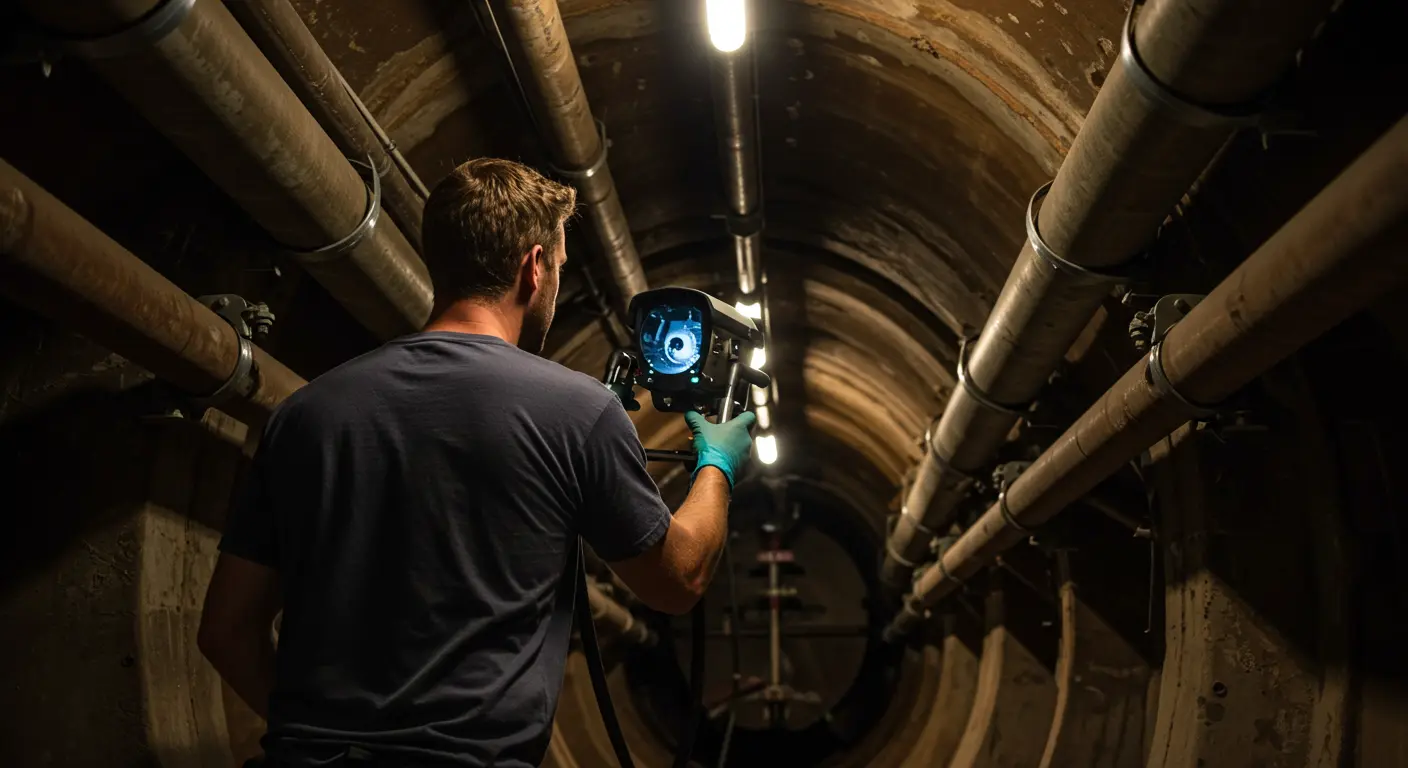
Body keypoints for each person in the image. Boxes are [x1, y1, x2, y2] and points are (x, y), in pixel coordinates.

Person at [198, 158, 757, 767]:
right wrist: (717, 465)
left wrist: (321, 738)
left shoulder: (303, 415)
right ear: (534, 266)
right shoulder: (577, 412)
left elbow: (226, 631)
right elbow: (678, 581)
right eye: (561, 267)